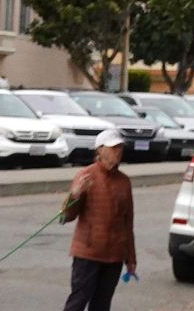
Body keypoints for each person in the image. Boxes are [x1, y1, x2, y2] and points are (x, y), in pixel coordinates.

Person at [60, 128, 137, 311]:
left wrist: (131, 258)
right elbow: (66, 216)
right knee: (78, 300)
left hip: (114, 256)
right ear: (99, 150)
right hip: (88, 253)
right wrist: (75, 194)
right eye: (112, 148)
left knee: (102, 304)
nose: (117, 152)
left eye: (119, 148)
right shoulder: (86, 176)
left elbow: (128, 223)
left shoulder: (124, 181)